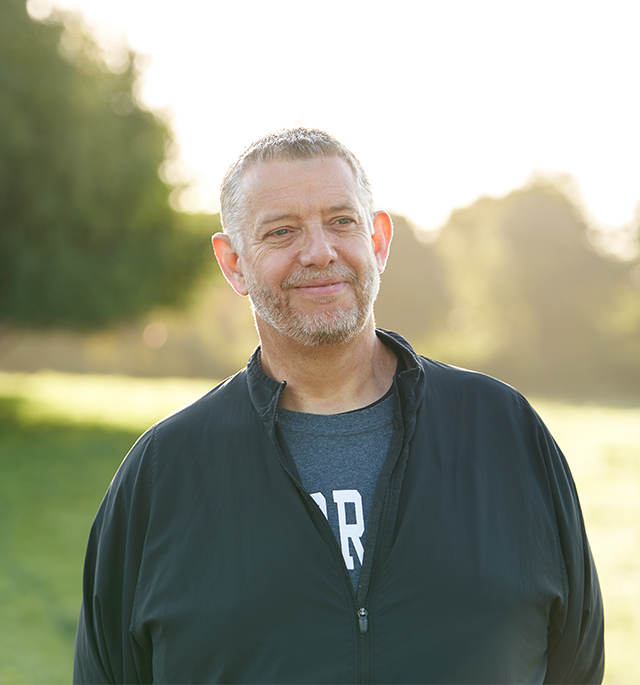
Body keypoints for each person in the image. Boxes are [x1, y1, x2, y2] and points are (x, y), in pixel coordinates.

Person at [72, 128, 603, 684]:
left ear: (377, 239)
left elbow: (577, 663)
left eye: (341, 221)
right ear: (234, 264)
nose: (320, 252)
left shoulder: (503, 432)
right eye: (281, 232)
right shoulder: (165, 471)